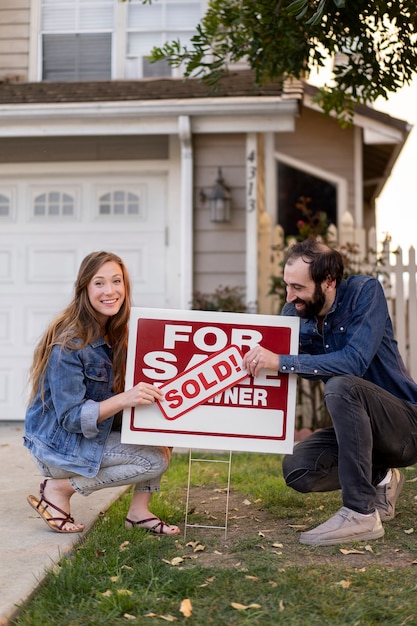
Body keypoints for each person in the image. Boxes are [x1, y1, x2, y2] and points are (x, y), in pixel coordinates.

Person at [243, 237, 417, 546]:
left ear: (329, 282)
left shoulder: (365, 293)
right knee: (298, 469)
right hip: (361, 430)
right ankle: (382, 478)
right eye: (287, 285)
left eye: (298, 287)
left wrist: (282, 360)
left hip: (405, 426)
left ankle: (361, 513)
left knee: (341, 383)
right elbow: (285, 366)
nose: (289, 296)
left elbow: (354, 361)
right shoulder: (294, 313)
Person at [24, 250, 180, 536]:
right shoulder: (69, 342)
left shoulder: (116, 332)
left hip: (88, 436)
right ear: (84, 288)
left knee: (163, 426)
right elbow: (71, 417)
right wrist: (125, 398)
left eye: (116, 281)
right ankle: (59, 489)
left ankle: (138, 513)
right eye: (99, 283)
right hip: (60, 447)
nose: (110, 291)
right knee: (152, 460)